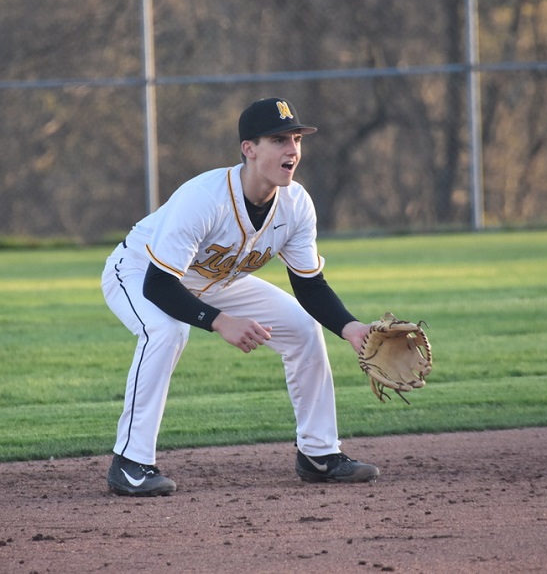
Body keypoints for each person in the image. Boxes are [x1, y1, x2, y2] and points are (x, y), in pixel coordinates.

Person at [101, 97, 380, 496]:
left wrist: (350, 327)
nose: (292, 149)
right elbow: (158, 286)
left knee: (302, 328)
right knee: (166, 332)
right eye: (279, 139)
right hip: (137, 270)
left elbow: (310, 286)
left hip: (214, 280)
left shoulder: (296, 204)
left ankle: (319, 454)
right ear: (249, 149)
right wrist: (219, 321)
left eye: (297, 139)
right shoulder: (204, 197)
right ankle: (130, 462)